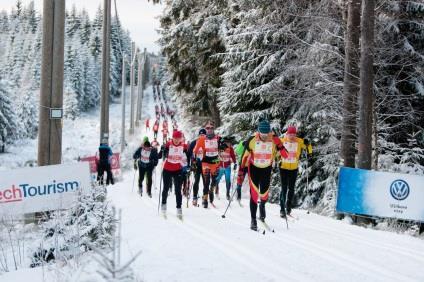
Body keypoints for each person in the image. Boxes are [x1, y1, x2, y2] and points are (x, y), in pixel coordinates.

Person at [238, 120, 288, 231]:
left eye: (266, 134)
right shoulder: (252, 140)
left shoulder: (274, 140)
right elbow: (244, 157)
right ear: (258, 131)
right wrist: (241, 171)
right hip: (254, 169)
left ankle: (262, 206)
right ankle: (253, 220)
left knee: (264, 195)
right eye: (262, 134)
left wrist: (279, 145)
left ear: (269, 132)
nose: (264, 136)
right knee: (254, 195)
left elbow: (285, 155)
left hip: (266, 169)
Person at [278, 126, 312, 218]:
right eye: (290, 134)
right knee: (284, 188)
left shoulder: (299, 141)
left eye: (293, 134)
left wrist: (308, 144)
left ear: (295, 134)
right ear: (287, 134)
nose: (292, 136)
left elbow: (308, 149)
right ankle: (282, 209)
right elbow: (275, 148)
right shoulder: (282, 140)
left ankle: (288, 208)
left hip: (294, 168)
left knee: (291, 189)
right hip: (283, 168)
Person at [161, 130, 190, 218]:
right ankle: (163, 204)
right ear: (172, 138)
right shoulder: (168, 145)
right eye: (175, 138)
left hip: (178, 170)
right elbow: (160, 155)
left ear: (181, 138)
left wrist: (190, 162)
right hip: (167, 169)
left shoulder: (184, 146)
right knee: (166, 188)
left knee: (178, 189)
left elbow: (189, 154)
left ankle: (179, 208)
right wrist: (162, 150)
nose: (177, 140)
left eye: (178, 138)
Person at [193, 120, 222, 208]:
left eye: (211, 128)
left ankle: (211, 191)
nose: (209, 129)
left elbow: (223, 147)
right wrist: (196, 156)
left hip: (215, 162)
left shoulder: (218, 138)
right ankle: (205, 199)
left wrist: (222, 148)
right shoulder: (202, 139)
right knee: (206, 180)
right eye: (207, 128)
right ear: (205, 129)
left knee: (214, 181)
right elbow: (195, 150)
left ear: (214, 129)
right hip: (205, 162)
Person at [188, 128, 206, 206]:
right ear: (199, 135)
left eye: (203, 135)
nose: (202, 136)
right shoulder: (194, 143)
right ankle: (194, 198)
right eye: (200, 135)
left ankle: (205, 198)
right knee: (196, 181)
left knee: (206, 182)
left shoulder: (207, 142)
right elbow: (189, 154)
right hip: (196, 165)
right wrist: (190, 163)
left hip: (205, 165)